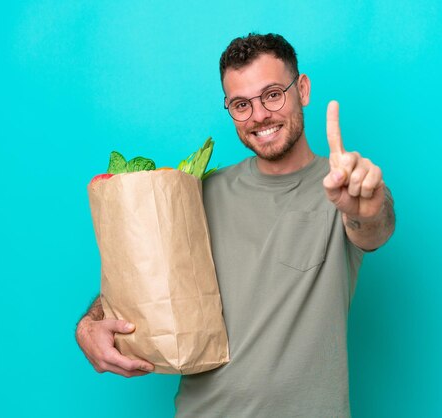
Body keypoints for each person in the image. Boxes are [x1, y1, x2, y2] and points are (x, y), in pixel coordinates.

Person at [76, 33, 395, 417]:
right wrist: (90, 324)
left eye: (273, 94)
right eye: (241, 104)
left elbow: (373, 227)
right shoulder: (198, 192)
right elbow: (142, 287)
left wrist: (367, 206)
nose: (259, 115)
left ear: (303, 89)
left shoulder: (344, 186)